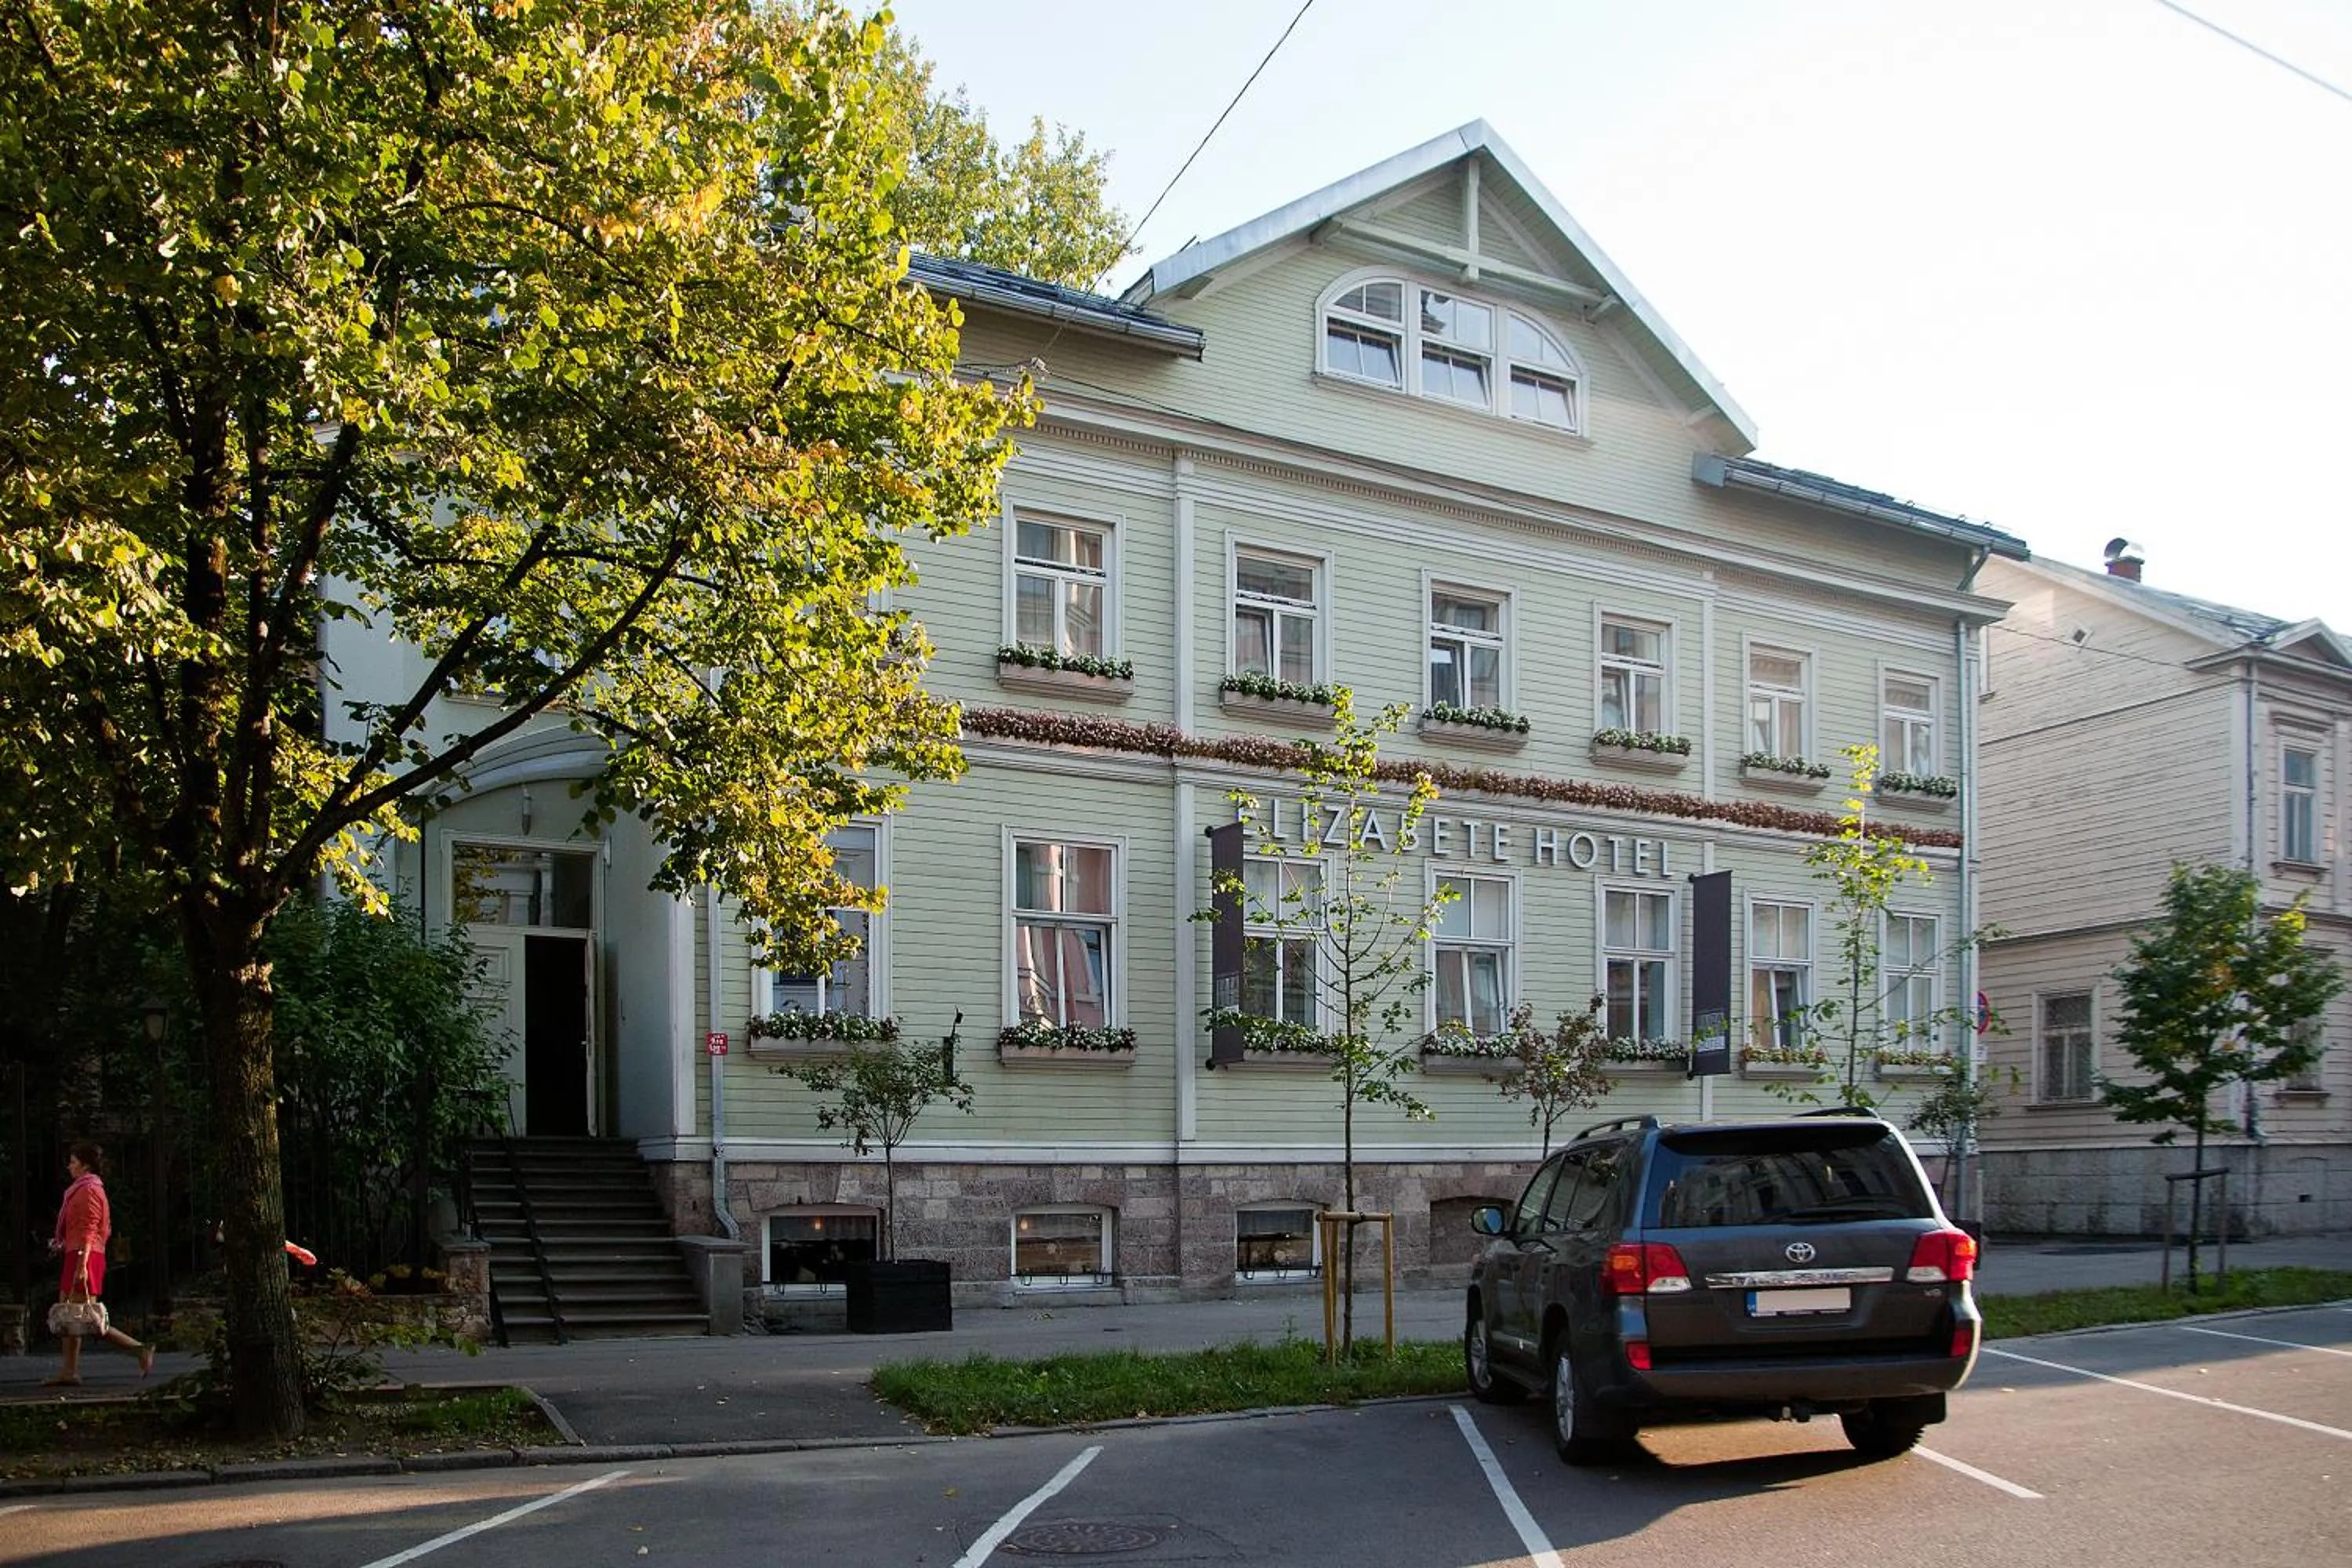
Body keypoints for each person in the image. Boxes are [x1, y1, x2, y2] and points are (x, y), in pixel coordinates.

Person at [44, 1142, 154, 1385]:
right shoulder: (82, 1189)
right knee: (72, 1314)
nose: (69, 1166)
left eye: (73, 1161)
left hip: (84, 1256)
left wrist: (82, 1263)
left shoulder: (89, 1190)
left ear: (84, 1165)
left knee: (88, 1317)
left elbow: (90, 1229)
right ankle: (70, 1371)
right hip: (78, 1254)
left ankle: (140, 1349)